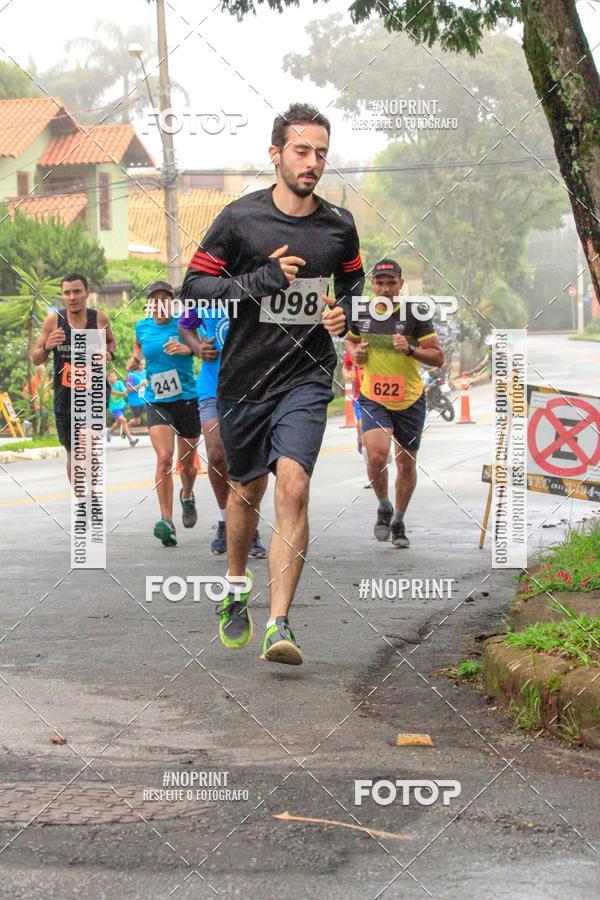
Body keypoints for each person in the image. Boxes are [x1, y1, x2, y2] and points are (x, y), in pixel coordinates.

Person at [180, 102, 364, 665]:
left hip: (307, 377)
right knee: (246, 493)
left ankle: (279, 623)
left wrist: (345, 318)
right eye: (303, 151)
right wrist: (259, 279)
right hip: (243, 380)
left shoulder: (338, 226)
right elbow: (193, 286)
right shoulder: (240, 221)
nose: (313, 163)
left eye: (322, 154)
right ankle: (236, 589)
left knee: (295, 487)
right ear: (276, 154)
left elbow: (354, 288)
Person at [346, 260, 444, 548]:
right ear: (373, 285)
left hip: (410, 399)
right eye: (380, 282)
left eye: (391, 282)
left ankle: (398, 519)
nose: (385, 288)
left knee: (406, 464)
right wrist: (358, 352)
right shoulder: (362, 313)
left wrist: (411, 349)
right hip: (374, 397)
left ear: (401, 284)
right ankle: (384, 505)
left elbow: (438, 357)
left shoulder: (415, 314)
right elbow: (350, 343)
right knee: (376, 455)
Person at [178, 304, 267, 558]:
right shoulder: (206, 291)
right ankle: (226, 520)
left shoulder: (256, 287)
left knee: (246, 460)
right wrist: (197, 347)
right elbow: (185, 325)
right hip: (212, 388)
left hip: (250, 391)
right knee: (217, 455)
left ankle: (249, 528)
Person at [134, 281, 200, 547]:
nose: (160, 304)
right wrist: (135, 358)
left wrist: (188, 349)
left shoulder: (185, 323)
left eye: (165, 299)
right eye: (155, 299)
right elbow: (138, 347)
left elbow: (205, 348)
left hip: (186, 399)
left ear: (173, 302)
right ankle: (167, 521)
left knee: (186, 466)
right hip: (157, 400)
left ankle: (187, 494)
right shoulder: (142, 326)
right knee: (164, 458)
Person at [31, 273, 115, 482]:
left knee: (85, 448)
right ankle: (81, 499)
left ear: (86, 293)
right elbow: (36, 358)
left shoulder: (99, 319)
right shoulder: (54, 321)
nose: (72, 297)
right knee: (74, 453)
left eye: (77, 291)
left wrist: (109, 354)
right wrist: (48, 346)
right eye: (67, 293)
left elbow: (111, 342)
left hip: (93, 393)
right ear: (62, 296)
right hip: (65, 396)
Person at [106, 371, 139, 447]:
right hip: (114, 407)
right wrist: (122, 393)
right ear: (107, 378)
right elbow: (112, 391)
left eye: (114, 376)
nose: (112, 378)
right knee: (123, 420)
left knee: (118, 422)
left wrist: (127, 390)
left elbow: (125, 392)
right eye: (110, 376)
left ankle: (109, 431)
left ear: (116, 377)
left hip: (121, 405)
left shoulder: (119, 383)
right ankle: (131, 440)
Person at [126, 356, 147, 428]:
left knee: (152, 416)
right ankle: (125, 427)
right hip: (135, 401)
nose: (143, 366)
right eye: (141, 364)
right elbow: (128, 390)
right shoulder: (131, 375)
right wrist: (140, 385)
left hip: (144, 400)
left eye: (144, 364)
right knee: (137, 421)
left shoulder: (145, 372)